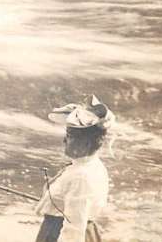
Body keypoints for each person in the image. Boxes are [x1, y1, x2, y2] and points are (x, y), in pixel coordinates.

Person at [35, 95, 115, 242]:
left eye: (70, 136)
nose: (64, 140)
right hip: (86, 231)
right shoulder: (91, 165)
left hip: (61, 233)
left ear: (85, 142)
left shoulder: (80, 177)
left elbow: (74, 227)